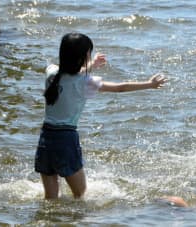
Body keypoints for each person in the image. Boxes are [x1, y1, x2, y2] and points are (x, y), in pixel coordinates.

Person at [35, 33, 167, 199]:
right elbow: (121, 87)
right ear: (83, 57)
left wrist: (91, 64)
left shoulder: (51, 73)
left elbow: (67, 71)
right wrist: (150, 84)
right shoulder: (85, 82)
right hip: (65, 139)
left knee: (51, 198)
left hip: (46, 138)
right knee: (80, 194)